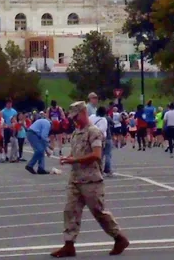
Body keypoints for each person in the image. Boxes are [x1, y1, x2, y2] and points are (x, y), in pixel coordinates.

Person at [50, 102, 130, 257]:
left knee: (99, 212)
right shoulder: (76, 132)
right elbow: (77, 154)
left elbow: (96, 155)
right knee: (70, 211)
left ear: (83, 113)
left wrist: (75, 160)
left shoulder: (93, 132)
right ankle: (69, 244)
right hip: (76, 179)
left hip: (91, 180)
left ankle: (119, 238)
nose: (74, 120)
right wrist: (69, 158)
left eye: (76, 116)